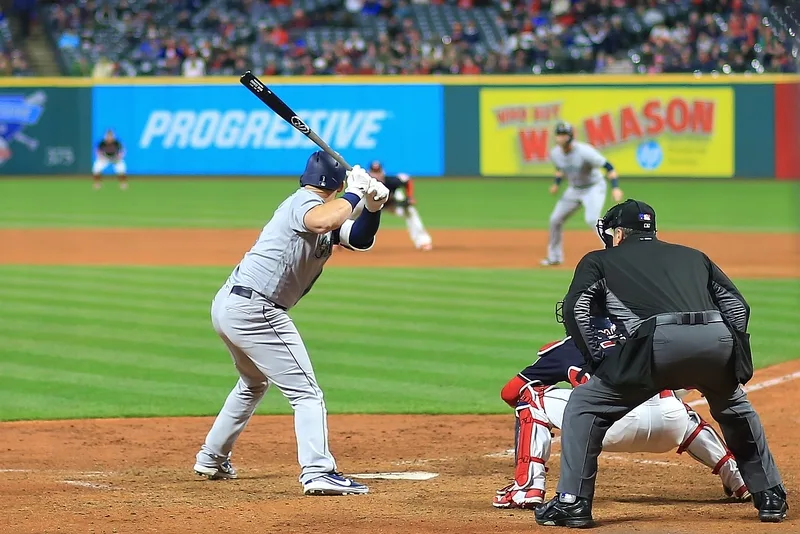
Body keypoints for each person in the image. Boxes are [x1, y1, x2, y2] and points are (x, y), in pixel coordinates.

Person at [535, 199, 787, 528]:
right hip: (716, 337)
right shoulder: (695, 256)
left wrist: (600, 360)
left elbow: (576, 309)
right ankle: (770, 496)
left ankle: (573, 502)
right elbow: (737, 306)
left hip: (657, 344)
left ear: (619, 234)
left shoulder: (599, 260)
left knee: (585, 405)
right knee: (735, 409)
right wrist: (732, 353)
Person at [193, 152, 390, 496]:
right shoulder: (303, 204)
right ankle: (317, 472)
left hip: (233, 305)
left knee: (253, 384)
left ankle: (212, 456)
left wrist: (372, 208)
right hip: (256, 309)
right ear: (337, 184)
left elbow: (358, 239)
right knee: (307, 393)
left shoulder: (319, 206)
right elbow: (322, 222)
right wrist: (356, 193)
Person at [493, 316, 750, 510]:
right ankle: (740, 480)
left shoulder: (569, 346)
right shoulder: (652, 337)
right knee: (680, 410)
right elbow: (698, 381)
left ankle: (527, 488)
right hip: (669, 428)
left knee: (532, 397)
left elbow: (510, 393)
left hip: (604, 430)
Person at [541, 121, 623, 267]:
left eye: (563, 134)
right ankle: (554, 257)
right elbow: (560, 169)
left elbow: (609, 167)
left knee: (592, 219)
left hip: (593, 187)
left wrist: (615, 188)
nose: (560, 138)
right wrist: (556, 184)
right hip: (574, 189)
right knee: (555, 219)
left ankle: (615, 252)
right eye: (558, 134)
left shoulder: (585, 152)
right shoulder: (555, 153)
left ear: (570, 136)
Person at [356, 160, 433, 251]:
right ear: (369, 173)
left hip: (391, 204)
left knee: (410, 211)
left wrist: (410, 196)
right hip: (368, 204)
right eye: (374, 172)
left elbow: (407, 179)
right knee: (350, 212)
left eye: (378, 172)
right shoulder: (364, 183)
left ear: (383, 172)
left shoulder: (391, 181)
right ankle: (340, 240)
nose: (376, 175)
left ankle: (423, 241)